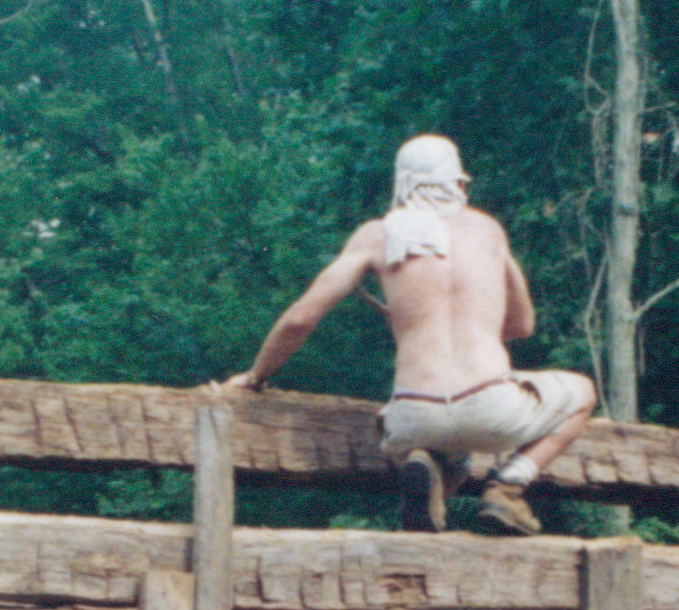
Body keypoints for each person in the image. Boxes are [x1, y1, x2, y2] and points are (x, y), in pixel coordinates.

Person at [222, 135, 597, 537]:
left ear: (401, 185)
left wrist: (255, 376)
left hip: (411, 415)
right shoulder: (487, 230)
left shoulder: (376, 235)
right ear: (459, 184)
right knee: (584, 392)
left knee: (437, 441)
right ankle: (508, 487)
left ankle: (429, 464)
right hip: (491, 409)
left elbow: (300, 319)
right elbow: (521, 327)